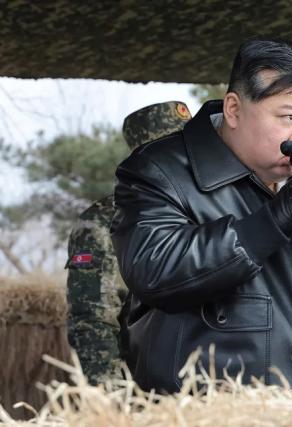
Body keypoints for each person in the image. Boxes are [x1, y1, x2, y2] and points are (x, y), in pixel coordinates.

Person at [110, 38, 292, 392]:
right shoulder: (159, 172)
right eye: (288, 117)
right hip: (213, 411)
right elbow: (155, 270)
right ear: (233, 110)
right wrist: (273, 220)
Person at [66, 101, 192, 384]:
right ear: (142, 157)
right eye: (168, 150)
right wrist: (112, 404)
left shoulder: (215, 207)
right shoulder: (103, 221)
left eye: (186, 148)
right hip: (144, 394)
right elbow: (92, 320)